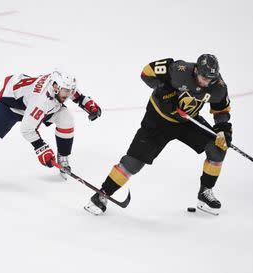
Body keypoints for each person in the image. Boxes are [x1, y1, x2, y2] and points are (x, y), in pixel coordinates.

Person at [84, 54, 232, 216]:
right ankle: (103, 194)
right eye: (203, 77)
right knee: (134, 162)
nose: (206, 82)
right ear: (196, 70)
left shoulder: (218, 86)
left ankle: (205, 193)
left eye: (210, 79)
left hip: (187, 121)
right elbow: (146, 73)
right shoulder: (179, 70)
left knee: (217, 148)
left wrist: (222, 130)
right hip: (158, 120)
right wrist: (165, 92)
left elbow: (221, 109)